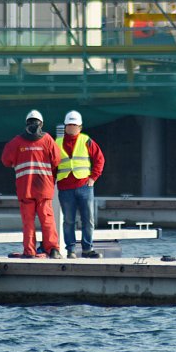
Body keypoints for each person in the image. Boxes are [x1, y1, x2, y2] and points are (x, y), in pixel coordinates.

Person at [0, 109, 63, 259]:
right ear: (41, 124)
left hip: (25, 188)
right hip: (44, 189)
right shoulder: (47, 140)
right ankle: (53, 250)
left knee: (28, 222)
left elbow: (5, 161)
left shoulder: (16, 142)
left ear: (26, 123)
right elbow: (56, 160)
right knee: (47, 220)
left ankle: (29, 251)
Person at [56, 110, 105, 258]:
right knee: (69, 220)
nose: (71, 127)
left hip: (84, 185)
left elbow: (99, 159)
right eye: (69, 125)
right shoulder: (56, 143)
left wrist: (93, 177)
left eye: (74, 125)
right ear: (65, 127)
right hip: (65, 187)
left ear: (80, 127)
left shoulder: (86, 140)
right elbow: (51, 164)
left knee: (88, 219)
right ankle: (71, 250)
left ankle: (87, 249)